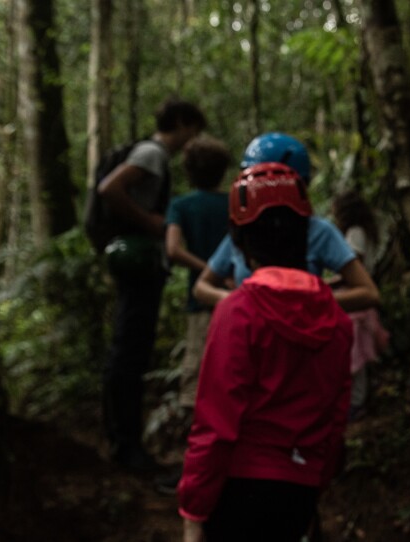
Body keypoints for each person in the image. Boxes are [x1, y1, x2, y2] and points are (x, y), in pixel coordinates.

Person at [177, 162, 352, 541]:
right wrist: (313, 486)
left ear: (238, 242)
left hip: (238, 489)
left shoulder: (238, 312)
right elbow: (335, 420)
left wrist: (193, 509)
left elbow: (215, 425)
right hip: (299, 489)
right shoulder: (338, 321)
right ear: (305, 233)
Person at [98, 98, 206, 470]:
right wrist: (151, 223)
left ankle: (123, 439)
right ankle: (125, 446)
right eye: (193, 129)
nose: (193, 139)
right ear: (180, 122)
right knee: (129, 351)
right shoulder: (152, 153)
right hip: (138, 262)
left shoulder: (151, 154)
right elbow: (110, 189)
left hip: (139, 261)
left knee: (128, 349)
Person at [192, 132, 379, 313]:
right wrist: (238, 302)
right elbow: (202, 286)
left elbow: (368, 293)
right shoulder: (245, 229)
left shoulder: (317, 231)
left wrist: (305, 305)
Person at [165, 135, 231, 415]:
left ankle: (197, 444)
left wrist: (206, 271)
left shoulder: (181, 205)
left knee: (197, 375)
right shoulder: (236, 202)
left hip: (202, 299)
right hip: (237, 293)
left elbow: (173, 249)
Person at [331, 189, 389, 419]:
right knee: (358, 352)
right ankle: (356, 400)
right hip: (362, 297)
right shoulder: (365, 232)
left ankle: (356, 403)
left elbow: (354, 270)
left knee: (355, 354)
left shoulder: (355, 233)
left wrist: (328, 284)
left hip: (356, 299)